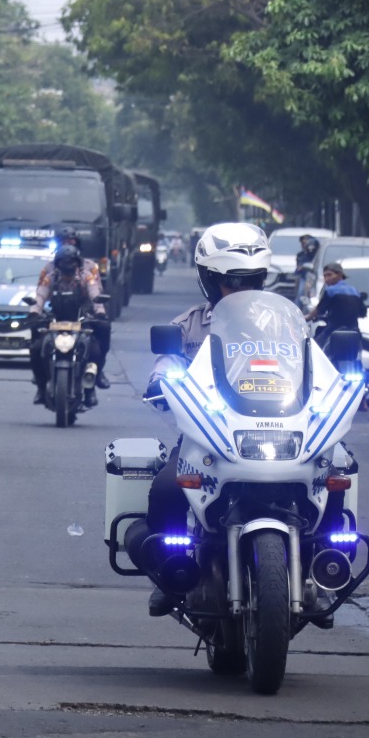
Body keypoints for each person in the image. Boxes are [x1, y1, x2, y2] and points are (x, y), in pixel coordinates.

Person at [141, 221, 269, 615]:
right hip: (207, 437)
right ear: (210, 280)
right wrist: (161, 382)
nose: (242, 290)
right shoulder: (188, 325)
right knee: (166, 490)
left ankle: (324, 565)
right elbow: (165, 366)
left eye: (252, 281)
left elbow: (316, 368)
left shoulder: (284, 323)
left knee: (336, 472)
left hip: (280, 433)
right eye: (233, 282)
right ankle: (170, 571)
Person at [30, 233, 110, 405]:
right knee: (36, 348)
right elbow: (41, 294)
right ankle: (41, 387)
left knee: (95, 350)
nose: (67, 266)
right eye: (63, 262)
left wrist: (99, 311)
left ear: (77, 262)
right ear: (57, 262)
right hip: (56, 319)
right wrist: (35, 310)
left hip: (82, 317)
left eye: (71, 262)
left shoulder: (87, 275)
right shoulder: (50, 276)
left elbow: (95, 293)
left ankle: (90, 388)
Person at [305, 261, 363, 348]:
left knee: (315, 346)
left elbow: (319, 310)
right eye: (325, 276)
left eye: (329, 275)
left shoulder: (330, 291)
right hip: (354, 329)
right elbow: (362, 312)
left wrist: (307, 317)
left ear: (340, 275)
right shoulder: (355, 291)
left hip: (335, 328)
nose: (327, 278)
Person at [294, 233, 319, 304]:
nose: (304, 245)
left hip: (315, 276)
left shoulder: (315, 253)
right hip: (303, 277)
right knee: (300, 293)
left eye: (305, 243)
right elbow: (298, 268)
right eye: (302, 243)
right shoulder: (300, 255)